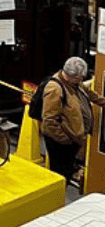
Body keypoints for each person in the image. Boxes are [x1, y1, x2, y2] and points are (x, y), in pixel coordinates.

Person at [41, 55, 105, 183]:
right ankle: (58, 200)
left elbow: (89, 94)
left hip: (71, 140)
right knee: (61, 174)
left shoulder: (74, 83)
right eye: (80, 77)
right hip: (61, 143)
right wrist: (66, 140)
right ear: (73, 76)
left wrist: (103, 101)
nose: (82, 79)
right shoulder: (55, 89)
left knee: (67, 171)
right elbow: (49, 121)